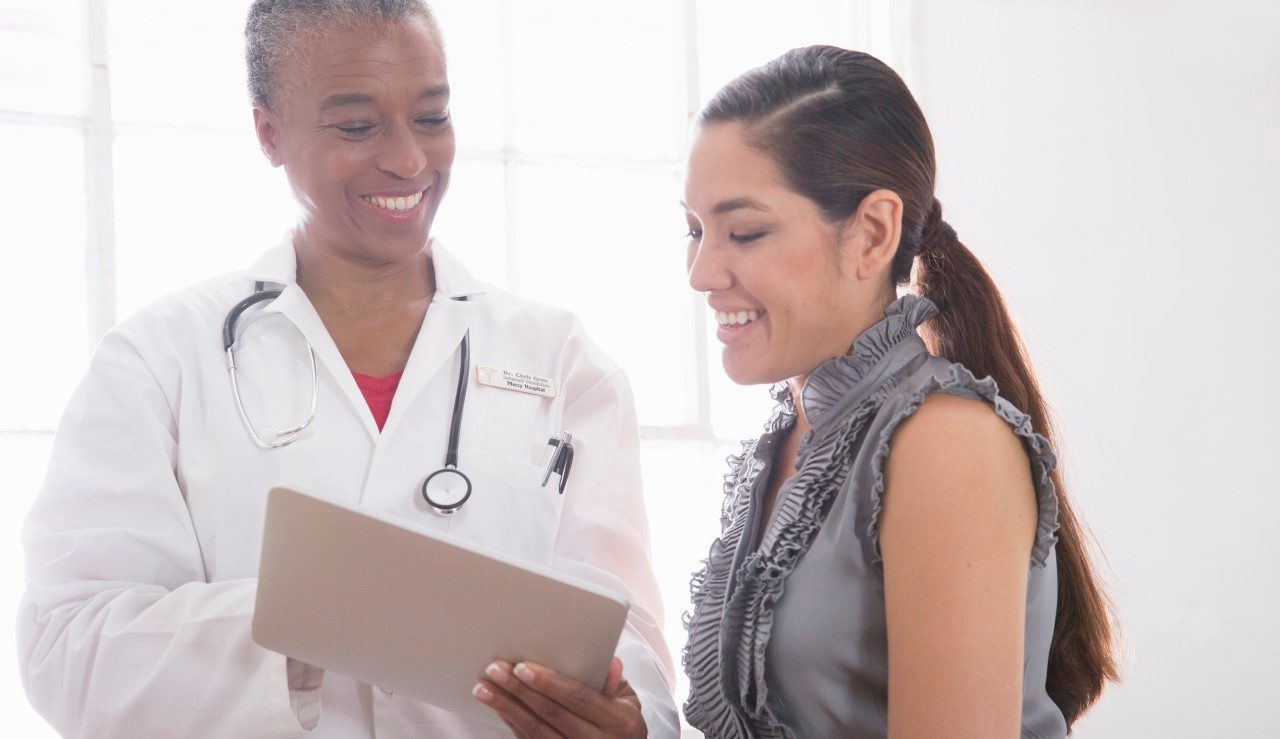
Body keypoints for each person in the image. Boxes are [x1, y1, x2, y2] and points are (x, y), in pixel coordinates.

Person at [16, 2, 676, 737]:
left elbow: (633, 644)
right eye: (358, 126)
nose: (408, 159)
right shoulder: (157, 360)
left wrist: (634, 720)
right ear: (269, 131)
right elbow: (67, 645)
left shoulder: (560, 360)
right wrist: (322, 616)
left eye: (431, 116)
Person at [679, 46, 1117, 738]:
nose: (701, 272)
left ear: (873, 233)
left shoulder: (944, 445)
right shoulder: (796, 434)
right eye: (694, 231)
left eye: (744, 232)